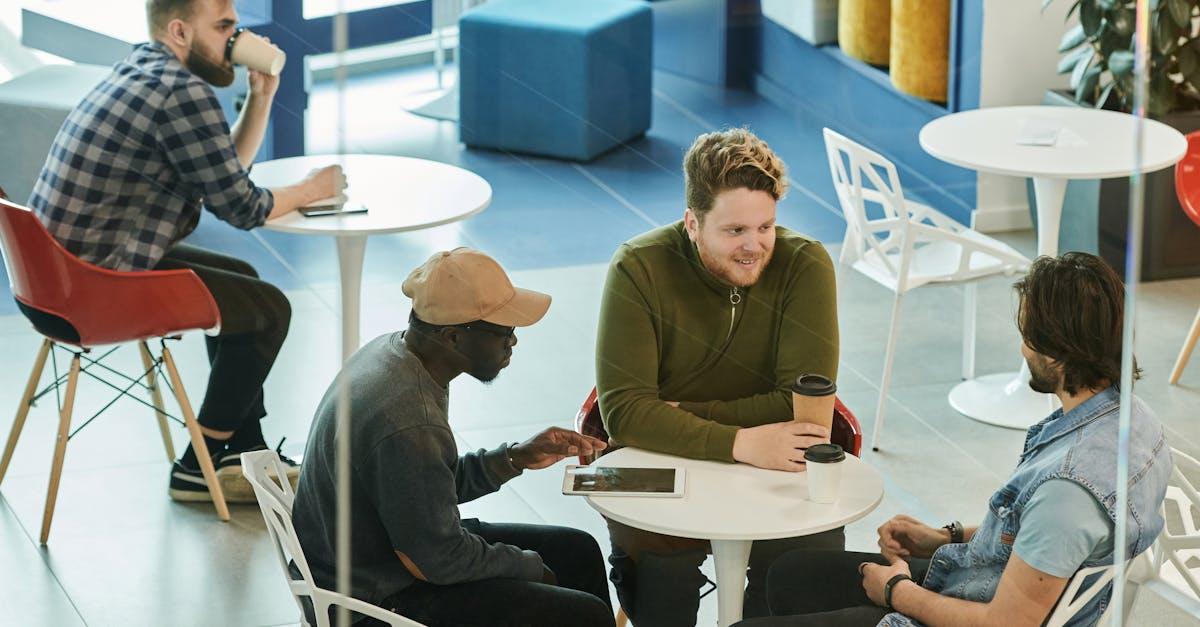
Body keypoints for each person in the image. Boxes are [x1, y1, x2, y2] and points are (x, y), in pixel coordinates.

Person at [735, 252, 1172, 627]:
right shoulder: (1136, 421)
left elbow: (1006, 622)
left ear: (1055, 351)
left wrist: (897, 593)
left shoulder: (1068, 491)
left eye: (1027, 336)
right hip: (989, 581)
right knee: (791, 572)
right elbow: (1037, 538)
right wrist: (946, 537)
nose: (1022, 350)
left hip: (977, 612)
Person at [26, 0, 343, 502]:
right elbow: (242, 207)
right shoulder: (181, 91)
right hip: (91, 287)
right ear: (179, 30)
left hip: (51, 277)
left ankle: (243, 451)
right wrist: (310, 189)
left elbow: (220, 175)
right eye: (224, 28)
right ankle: (200, 465)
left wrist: (260, 98)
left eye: (236, 27)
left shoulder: (144, 65)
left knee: (245, 283)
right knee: (270, 310)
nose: (236, 42)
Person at [594, 128, 843, 625]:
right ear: (692, 223)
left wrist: (679, 415)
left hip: (760, 462)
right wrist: (742, 441)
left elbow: (801, 407)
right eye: (735, 232)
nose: (755, 247)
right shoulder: (638, 267)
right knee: (661, 576)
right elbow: (623, 413)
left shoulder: (805, 265)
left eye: (766, 227)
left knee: (804, 569)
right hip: (664, 460)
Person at [291, 248, 616, 627]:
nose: (513, 341)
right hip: (371, 599)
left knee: (576, 551)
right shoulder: (409, 416)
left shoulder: (394, 353)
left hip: (370, 554)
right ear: (453, 337)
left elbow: (422, 487)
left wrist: (515, 458)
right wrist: (530, 568)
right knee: (583, 614)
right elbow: (437, 559)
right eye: (503, 331)